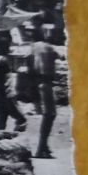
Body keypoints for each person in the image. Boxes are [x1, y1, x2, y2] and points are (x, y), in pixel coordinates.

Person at [30, 25, 60, 158]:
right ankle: (41, 147)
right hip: (46, 83)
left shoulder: (34, 47)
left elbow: (30, 64)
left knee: (47, 115)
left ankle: (44, 147)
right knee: (50, 114)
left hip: (36, 82)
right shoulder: (50, 48)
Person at [0, 32, 28, 132]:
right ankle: (15, 141)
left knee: (1, 118)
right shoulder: (3, 60)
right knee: (22, 119)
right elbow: (4, 79)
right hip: (6, 93)